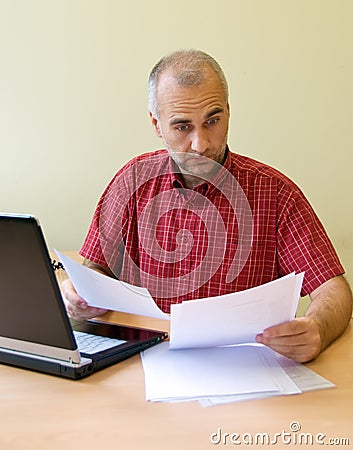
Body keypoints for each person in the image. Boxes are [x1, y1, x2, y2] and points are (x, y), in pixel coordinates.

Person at [63, 49, 352, 363]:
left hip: (244, 373)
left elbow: (332, 288)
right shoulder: (131, 182)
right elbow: (95, 269)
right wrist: (80, 296)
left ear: (228, 111)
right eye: (182, 127)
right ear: (156, 124)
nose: (201, 144)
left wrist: (318, 328)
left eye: (212, 120)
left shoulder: (276, 194)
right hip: (143, 368)